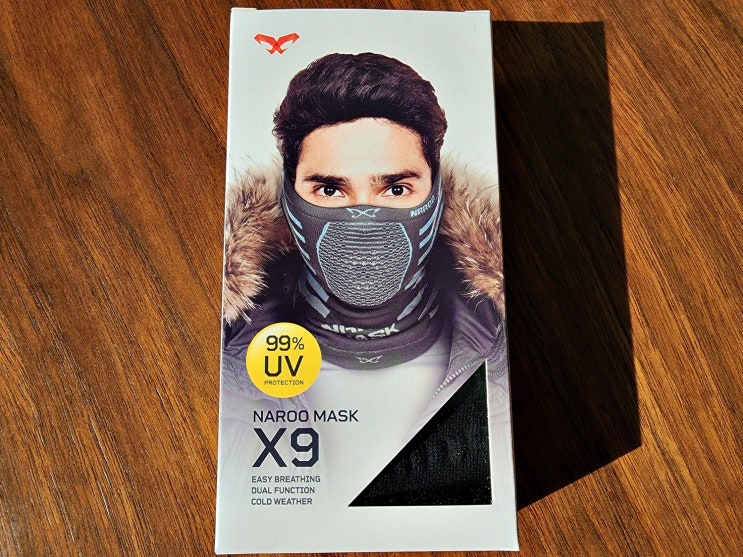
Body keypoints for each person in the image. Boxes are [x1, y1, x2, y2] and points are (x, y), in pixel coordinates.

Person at [219, 52, 510, 504]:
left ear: (436, 191)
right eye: (330, 189)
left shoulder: (512, 348)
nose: (363, 219)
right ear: (288, 196)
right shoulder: (219, 350)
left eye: (395, 188)